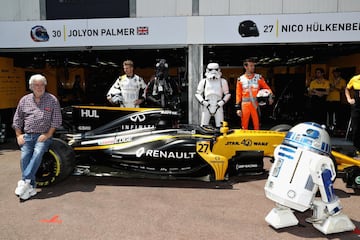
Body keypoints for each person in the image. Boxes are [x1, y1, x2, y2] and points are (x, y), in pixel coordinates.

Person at [12, 74, 62, 200]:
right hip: (27, 136)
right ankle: (31, 186)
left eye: (42, 85)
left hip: (43, 135)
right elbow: (17, 119)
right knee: (24, 157)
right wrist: (18, 135)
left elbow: (56, 120)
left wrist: (48, 134)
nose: (39, 87)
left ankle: (25, 181)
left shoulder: (52, 100)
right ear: (31, 87)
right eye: (36, 85)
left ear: (45, 86)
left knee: (38, 152)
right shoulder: (24, 100)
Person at [235, 58, 273, 130]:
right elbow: (238, 94)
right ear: (245, 67)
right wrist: (238, 108)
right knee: (244, 125)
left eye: (253, 66)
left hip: (255, 104)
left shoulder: (259, 77)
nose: (253, 67)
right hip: (244, 105)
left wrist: (270, 97)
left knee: (257, 124)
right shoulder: (240, 79)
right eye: (251, 66)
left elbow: (267, 88)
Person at [195, 62, 231, 128]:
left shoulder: (222, 81)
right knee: (204, 125)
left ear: (219, 70)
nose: (213, 72)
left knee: (220, 126)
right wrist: (203, 101)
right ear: (207, 70)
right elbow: (197, 94)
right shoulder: (204, 81)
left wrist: (222, 102)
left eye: (216, 69)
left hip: (218, 104)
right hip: (207, 104)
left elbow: (227, 94)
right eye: (211, 70)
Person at [345, 74, 360, 159]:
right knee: (356, 127)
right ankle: (357, 148)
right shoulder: (355, 79)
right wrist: (349, 99)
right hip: (357, 106)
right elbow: (347, 89)